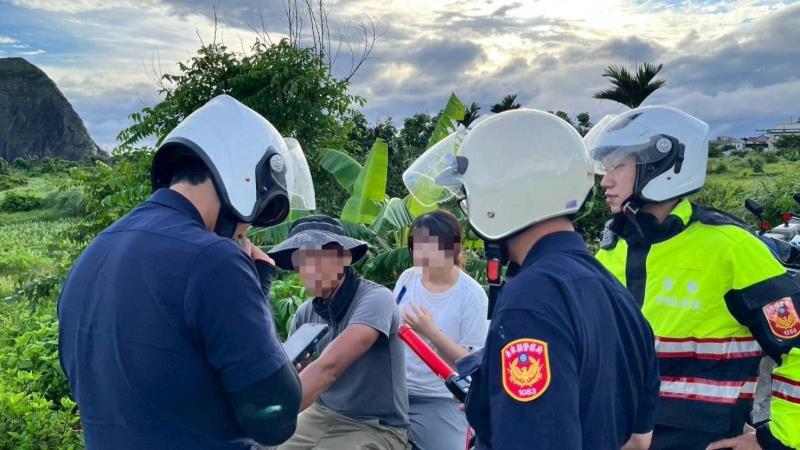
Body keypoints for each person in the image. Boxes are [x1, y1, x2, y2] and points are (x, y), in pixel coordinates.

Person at [58, 95, 315, 449]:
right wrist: (258, 287)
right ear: (242, 176)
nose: (246, 229)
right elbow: (274, 418)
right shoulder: (214, 259)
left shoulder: (93, 253)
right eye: (251, 217)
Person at [402, 109, 660, 449]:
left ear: (503, 194)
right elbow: (639, 441)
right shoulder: (614, 292)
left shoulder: (531, 299)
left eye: (469, 197)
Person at [586, 105, 800, 450]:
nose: (606, 180)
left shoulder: (730, 247)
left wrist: (776, 440)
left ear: (662, 165)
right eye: (605, 168)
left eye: (618, 166)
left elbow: (797, 348)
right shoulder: (613, 250)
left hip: (699, 441)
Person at [268, 215, 411, 450]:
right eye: (301, 261)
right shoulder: (307, 312)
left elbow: (328, 368)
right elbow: (290, 369)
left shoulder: (376, 299)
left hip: (374, 426)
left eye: (317, 257)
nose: (308, 269)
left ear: (343, 257)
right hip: (320, 414)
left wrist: (272, 413)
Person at [393, 210, 489, 450]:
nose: (422, 253)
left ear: (453, 249)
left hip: (441, 397)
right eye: (417, 245)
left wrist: (432, 333)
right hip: (394, 391)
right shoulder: (407, 279)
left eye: (431, 245)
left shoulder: (472, 295)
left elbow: (471, 365)